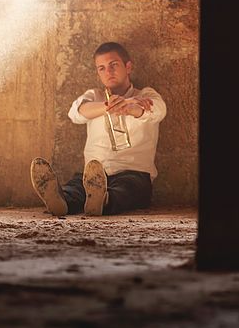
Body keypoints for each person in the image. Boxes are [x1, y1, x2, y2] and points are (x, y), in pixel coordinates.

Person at [29, 42, 166, 216]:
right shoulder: (94, 96)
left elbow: (159, 110)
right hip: (92, 175)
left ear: (128, 66)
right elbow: (76, 113)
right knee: (76, 188)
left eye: (113, 65)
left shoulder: (145, 95)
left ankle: (104, 200)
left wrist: (131, 107)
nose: (108, 72)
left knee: (128, 190)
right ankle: (61, 201)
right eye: (101, 68)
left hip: (133, 174)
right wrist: (109, 105)